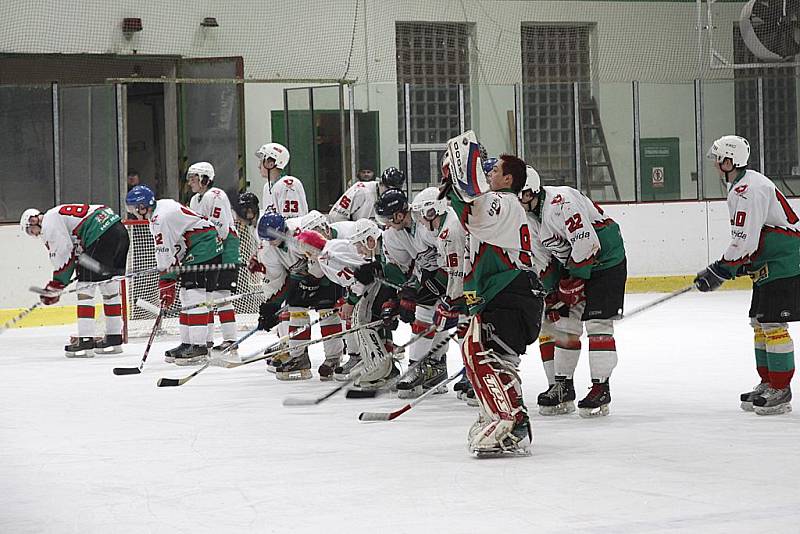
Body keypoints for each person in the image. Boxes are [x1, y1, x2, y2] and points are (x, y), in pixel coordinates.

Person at [441, 135, 543, 457]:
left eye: (495, 169)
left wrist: (457, 188)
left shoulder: (505, 201)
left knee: (481, 353)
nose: (489, 173)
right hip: (507, 292)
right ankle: (516, 422)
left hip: (510, 291)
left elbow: (476, 217)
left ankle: (507, 420)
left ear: (508, 179)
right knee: (499, 359)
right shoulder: (504, 205)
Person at [694, 135, 799, 415]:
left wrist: (720, 269)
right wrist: (734, 265)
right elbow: (749, 241)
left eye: (719, 159)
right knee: (759, 321)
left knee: (774, 324)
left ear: (730, 161)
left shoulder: (748, 189)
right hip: (769, 259)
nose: (716, 164)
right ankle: (768, 381)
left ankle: (781, 388)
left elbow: (745, 241)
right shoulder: (744, 184)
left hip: (784, 261)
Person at [517, 162, 626, 418]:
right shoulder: (530, 218)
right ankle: (563, 386)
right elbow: (543, 261)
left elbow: (588, 245)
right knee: (564, 324)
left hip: (607, 261)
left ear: (530, 191)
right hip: (576, 265)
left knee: (598, 324)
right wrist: (553, 293)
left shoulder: (561, 202)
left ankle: (601, 387)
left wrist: (574, 282)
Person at [125, 185, 223, 365]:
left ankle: (198, 346)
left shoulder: (158, 219)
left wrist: (166, 281)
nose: (134, 213)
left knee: (194, 295)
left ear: (143, 206)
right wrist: (170, 273)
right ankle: (191, 343)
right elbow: (174, 244)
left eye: (134, 209)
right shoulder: (162, 206)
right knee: (190, 296)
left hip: (203, 246)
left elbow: (164, 252)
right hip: (202, 244)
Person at [20, 203, 129, 357]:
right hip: (119, 232)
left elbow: (64, 256)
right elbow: (75, 254)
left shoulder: (49, 223)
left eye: (31, 231)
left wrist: (56, 285)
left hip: (99, 233)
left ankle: (86, 341)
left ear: (33, 220)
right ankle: (114, 338)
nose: (35, 234)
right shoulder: (57, 215)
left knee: (85, 288)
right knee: (110, 287)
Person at [376, 187, 451, 398]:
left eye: (389, 218)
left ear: (400, 214)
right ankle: (424, 368)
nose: (386, 223)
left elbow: (446, 251)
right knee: (426, 316)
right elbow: (405, 268)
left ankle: (437, 367)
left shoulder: (425, 222)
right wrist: (403, 295)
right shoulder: (392, 235)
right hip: (428, 274)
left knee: (452, 319)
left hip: (452, 272)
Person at [409, 187, 472, 400]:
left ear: (432, 211)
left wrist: (450, 301)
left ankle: (474, 375)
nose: (419, 220)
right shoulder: (445, 225)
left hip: (474, 283)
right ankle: (470, 374)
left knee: (470, 327)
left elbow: (457, 274)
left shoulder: (450, 231)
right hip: (468, 281)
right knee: (464, 326)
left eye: (421, 214)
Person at [251, 211, 316, 380]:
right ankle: (295, 352)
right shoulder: (269, 249)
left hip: (322, 270)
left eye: (272, 239)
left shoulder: (300, 235)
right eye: (266, 240)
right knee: (295, 307)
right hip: (302, 273)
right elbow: (278, 281)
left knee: (334, 308)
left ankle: (342, 356)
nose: (270, 244)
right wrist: (271, 307)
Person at [186, 162, 242, 353]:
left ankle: (230, 340)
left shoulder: (215, 195)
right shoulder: (195, 200)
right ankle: (206, 339)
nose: (190, 182)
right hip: (211, 250)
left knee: (221, 296)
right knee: (208, 295)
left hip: (225, 249)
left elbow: (222, 229)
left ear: (204, 179)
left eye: (194, 178)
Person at [328, 166, 405, 222]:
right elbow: (335, 217)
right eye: (388, 189)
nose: (391, 194)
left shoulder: (397, 198)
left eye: (395, 190)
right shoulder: (360, 191)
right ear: (381, 183)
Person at [255, 142, 308, 219]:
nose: (259, 166)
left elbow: (292, 222)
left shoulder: (288, 184)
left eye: (261, 161)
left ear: (271, 164)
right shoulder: (268, 186)